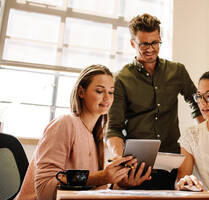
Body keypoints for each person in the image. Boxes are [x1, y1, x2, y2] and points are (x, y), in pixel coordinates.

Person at [106, 13, 203, 190]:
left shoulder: (177, 71)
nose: (150, 48)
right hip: (137, 168)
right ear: (133, 43)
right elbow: (114, 128)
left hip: (172, 165)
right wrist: (122, 162)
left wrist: (206, 138)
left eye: (155, 43)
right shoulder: (121, 79)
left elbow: (198, 103)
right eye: (144, 44)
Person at [15, 65, 138, 200]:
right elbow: (44, 190)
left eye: (111, 92)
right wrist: (101, 176)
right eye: (99, 91)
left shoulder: (95, 136)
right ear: (81, 92)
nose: (107, 98)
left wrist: (119, 184)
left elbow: (91, 190)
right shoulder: (65, 123)